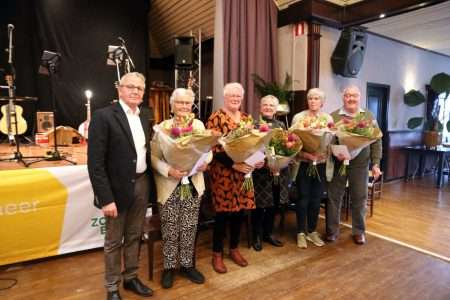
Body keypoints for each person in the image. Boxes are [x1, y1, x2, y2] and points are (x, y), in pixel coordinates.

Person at [88, 72, 154, 300]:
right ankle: (112, 287)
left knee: (135, 235)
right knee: (114, 241)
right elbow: (95, 163)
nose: (135, 91)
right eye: (130, 87)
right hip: (115, 189)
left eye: (140, 88)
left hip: (142, 183)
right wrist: (105, 198)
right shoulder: (103, 116)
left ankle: (131, 277)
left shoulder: (145, 115)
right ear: (120, 90)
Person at [151, 88, 210, 289]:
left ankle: (186, 265)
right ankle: (169, 267)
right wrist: (169, 170)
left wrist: (204, 162)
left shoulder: (199, 125)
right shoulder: (162, 128)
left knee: (189, 226)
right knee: (170, 227)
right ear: (172, 104)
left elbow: (207, 150)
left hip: (193, 183)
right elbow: (153, 157)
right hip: (170, 184)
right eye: (180, 103)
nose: (184, 106)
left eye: (187, 103)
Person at [206, 82, 263, 273]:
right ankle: (216, 254)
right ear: (225, 97)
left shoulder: (247, 118)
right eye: (232, 96)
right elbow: (212, 148)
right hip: (223, 173)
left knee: (240, 212)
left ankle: (234, 248)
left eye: (238, 97)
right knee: (223, 214)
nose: (235, 99)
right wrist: (234, 164)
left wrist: (257, 160)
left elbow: (254, 144)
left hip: (244, 173)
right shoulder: (216, 117)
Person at [326, 85, 382, 245]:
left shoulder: (368, 116)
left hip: (360, 164)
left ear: (360, 97)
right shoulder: (334, 116)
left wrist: (376, 163)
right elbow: (327, 139)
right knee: (334, 197)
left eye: (354, 96)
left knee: (359, 197)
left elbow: (377, 140)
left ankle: (359, 232)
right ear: (343, 98)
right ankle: (332, 231)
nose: (351, 99)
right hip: (338, 162)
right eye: (347, 96)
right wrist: (334, 152)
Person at [291, 88, 333, 249]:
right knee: (303, 199)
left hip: (321, 165)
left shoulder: (327, 118)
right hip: (303, 164)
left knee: (316, 199)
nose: (313, 101)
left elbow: (330, 140)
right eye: (310, 98)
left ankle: (312, 230)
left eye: (316, 98)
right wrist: (306, 155)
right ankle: (301, 232)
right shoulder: (299, 118)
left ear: (322, 102)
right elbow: (292, 142)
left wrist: (325, 153)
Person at [251, 95, 288, 251]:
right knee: (259, 207)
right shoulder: (253, 125)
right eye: (265, 105)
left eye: (271, 105)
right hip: (260, 172)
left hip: (277, 172)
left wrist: (281, 163)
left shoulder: (281, 125)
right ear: (260, 107)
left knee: (274, 204)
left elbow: (287, 147)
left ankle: (268, 233)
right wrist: (266, 163)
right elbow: (250, 148)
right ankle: (256, 236)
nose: (268, 107)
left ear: (275, 108)